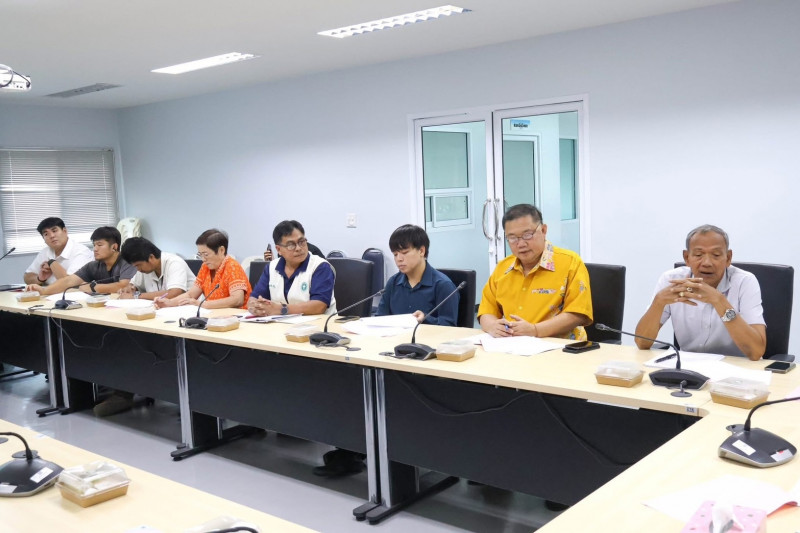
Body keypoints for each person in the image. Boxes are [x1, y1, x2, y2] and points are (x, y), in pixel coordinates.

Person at [634, 224, 766, 360]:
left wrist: (719, 301)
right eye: (698, 255)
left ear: (728, 258)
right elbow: (641, 343)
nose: (707, 263)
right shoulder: (672, 281)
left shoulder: (744, 282)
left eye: (716, 255)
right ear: (686, 258)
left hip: (738, 367)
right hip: (689, 366)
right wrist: (658, 303)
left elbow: (756, 351)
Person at [478, 204, 593, 340]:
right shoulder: (503, 268)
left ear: (543, 230)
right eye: (513, 238)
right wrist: (492, 326)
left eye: (527, 235)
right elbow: (486, 311)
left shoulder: (570, 263)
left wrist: (535, 330)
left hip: (559, 346)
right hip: (513, 345)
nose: (521, 244)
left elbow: (578, 314)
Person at [248, 220, 336, 317]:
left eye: (301, 242)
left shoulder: (320, 266)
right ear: (278, 249)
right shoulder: (271, 267)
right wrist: (256, 307)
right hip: (280, 324)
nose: (298, 248)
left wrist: (281, 309)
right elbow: (254, 299)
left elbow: (319, 306)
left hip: (318, 324)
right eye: (291, 245)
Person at [376, 224, 458, 325]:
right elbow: (380, 318)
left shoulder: (443, 285)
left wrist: (426, 319)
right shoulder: (393, 282)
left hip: (427, 335)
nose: (399, 259)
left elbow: (449, 325)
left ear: (421, 251)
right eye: (395, 254)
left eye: (405, 252)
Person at [26, 226, 136, 296]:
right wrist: (43, 291)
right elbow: (68, 281)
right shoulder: (93, 266)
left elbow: (124, 285)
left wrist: (93, 287)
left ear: (114, 247)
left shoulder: (128, 261)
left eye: (99, 245)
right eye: (94, 245)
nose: (95, 249)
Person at [155, 229, 250, 310]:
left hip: (236, 318)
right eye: (200, 255)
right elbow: (190, 295)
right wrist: (169, 303)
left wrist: (202, 304)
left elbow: (237, 299)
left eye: (206, 254)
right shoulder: (205, 267)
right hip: (214, 316)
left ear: (221, 250)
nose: (203, 259)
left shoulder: (232, 266)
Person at [118, 237, 196, 300]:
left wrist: (136, 296)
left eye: (138, 265)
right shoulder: (145, 269)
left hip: (189, 309)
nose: (138, 269)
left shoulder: (175, 263)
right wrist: (130, 289)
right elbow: (134, 285)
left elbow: (174, 293)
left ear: (151, 257)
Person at [23, 217, 93, 286]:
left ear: (65, 231)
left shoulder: (81, 252)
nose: (52, 236)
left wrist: (51, 263)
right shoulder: (45, 251)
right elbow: (27, 276)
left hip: (74, 292)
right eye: (46, 234)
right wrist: (40, 278)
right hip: (49, 291)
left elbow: (68, 283)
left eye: (54, 231)